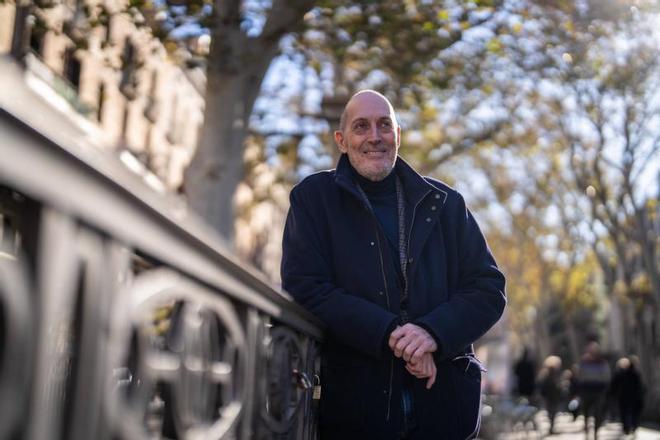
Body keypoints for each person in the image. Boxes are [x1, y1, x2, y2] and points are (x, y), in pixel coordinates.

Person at [281, 90, 506, 439]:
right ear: (341, 140)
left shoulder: (446, 203)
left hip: (444, 408)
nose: (375, 136)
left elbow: (488, 289)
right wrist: (391, 334)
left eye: (384, 125)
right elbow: (305, 286)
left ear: (397, 135)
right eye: (361, 126)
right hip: (356, 409)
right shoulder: (312, 198)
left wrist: (433, 333)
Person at [576, 341, 611, 439]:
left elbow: (606, 376)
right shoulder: (584, 362)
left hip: (598, 391)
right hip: (586, 391)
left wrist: (603, 385)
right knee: (586, 413)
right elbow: (580, 376)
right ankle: (587, 431)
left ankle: (596, 432)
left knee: (598, 413)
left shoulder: (602, 362)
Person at [610, 356, 644, 436]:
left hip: (625, 397)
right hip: (633, 397)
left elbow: (614, 385)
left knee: (625, 413)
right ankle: (632, 427)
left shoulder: (621, 373)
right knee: (631, 413)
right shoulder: (636, 373)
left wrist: (613, 394)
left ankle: (628, 428)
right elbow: (640, 386)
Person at [537, 355, 563, 434]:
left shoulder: (556, 375)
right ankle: (551, 426)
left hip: (552, 396)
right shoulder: (545, 375)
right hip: (549, 396)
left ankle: (552, 426)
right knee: (551, 412)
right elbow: (541, 385)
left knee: (552, 412)